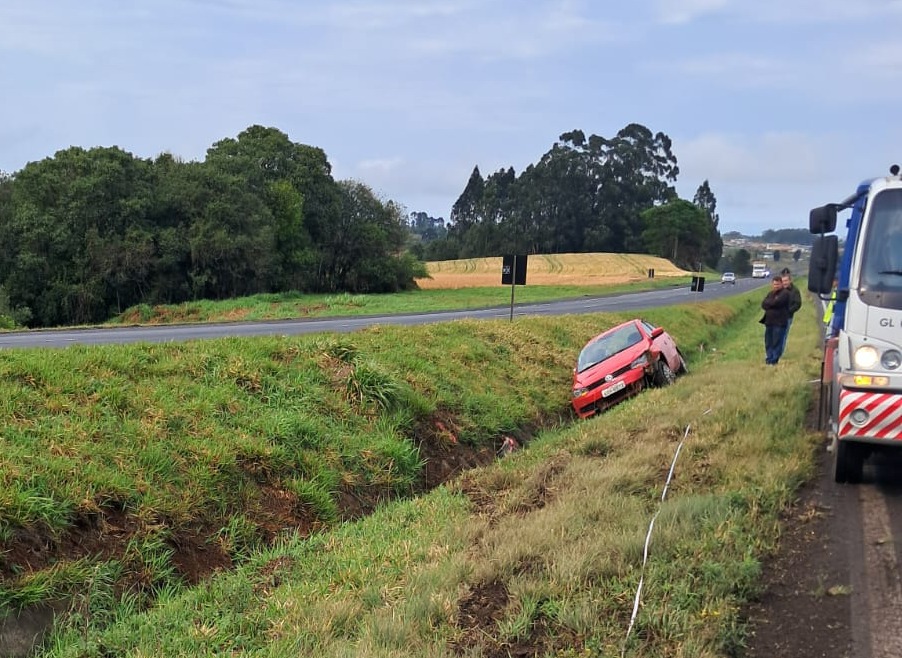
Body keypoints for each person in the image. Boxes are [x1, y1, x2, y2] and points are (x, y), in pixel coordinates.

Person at [761, 275, 790, 365]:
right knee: (768, 341)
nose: (776, 286)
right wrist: (772, 303)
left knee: (777, 341)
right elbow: (763, 304)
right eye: (774, 284)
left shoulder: (785, 293)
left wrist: (770, 303)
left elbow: (777, 303)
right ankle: (769, 358)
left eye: (777, 284)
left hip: (779, 322)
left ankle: (774, 359)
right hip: (769, 322)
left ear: (781, 284)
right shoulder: (770, 293)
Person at [777, 268, 802, 358]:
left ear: (790, 280)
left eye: (786, 281)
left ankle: (779, 354)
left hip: (787, 317)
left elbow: (798, 303)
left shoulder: (795, 291)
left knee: (783, 336)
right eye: (783, 281)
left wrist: (789, 310)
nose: (785, 283)